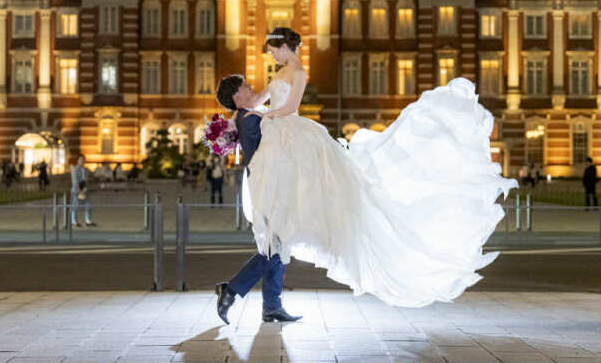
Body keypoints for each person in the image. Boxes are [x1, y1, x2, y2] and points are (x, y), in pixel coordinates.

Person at [213, 27, 517, 311]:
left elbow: (290, 107)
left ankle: (265, 291)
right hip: (280, 139)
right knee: (284, 222)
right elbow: (258, 101)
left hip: (292, 131)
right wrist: (239, 116)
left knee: (307, 200)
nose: (272, 57)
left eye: (273, 51)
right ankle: (271, 300)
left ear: (284, 47)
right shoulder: (279, 73)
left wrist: (264, 116)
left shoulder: (300, 72)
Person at [214, 75, 301, 324]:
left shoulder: (248, 115)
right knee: (276, 247)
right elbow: (272, 150)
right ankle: (230, 290)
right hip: (267, 187)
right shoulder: (251, 118)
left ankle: (272, 306)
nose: (250, 87)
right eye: (244, 86)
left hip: (267, 185)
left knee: (276, 244)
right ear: (236, 97)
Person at [70, 154, 96, 227]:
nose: (82, 161)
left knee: (88, 205)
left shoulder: (85, 169)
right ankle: (73, 221)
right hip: (77, 191)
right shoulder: (75, 169)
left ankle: (88, 220)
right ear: (78, 161)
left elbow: (87, 179)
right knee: (75, 205)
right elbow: (75, 181)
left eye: (83, 160)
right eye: (81, 159)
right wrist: (79, 190)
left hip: (85, 190)